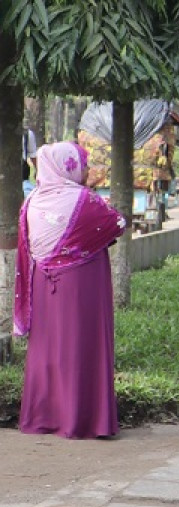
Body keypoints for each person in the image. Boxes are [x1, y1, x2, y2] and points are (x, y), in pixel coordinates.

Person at [14, 142, 126, 438]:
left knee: (47, 350)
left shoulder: (31, 201)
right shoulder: (85, 201)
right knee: (81, 344)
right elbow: (118, 223)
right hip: (81, 284)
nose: (87, 169)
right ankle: (83, 420)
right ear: (67, 166)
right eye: (82, 163)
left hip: (42, 285)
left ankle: (44, 417)